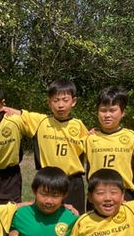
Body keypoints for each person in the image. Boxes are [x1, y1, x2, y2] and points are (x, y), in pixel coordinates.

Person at [5, 79, 88, 213]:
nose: (60, 105)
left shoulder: (79, 125)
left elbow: (91, 149)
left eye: (65, 100)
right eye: (56, 100)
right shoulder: (40, 121)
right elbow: (18, 113)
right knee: (46, 218)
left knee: (74, 218)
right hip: (48, 180)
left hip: (73, 182)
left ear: (73, 101)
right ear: (49, 103)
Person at [85, 86, 134, 200]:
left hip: (124, 195)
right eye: (103, 110)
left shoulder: (132, 137)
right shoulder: (90, 138)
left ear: (123, 112)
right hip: (97, 192)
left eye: (113, 110)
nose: (107, 115)